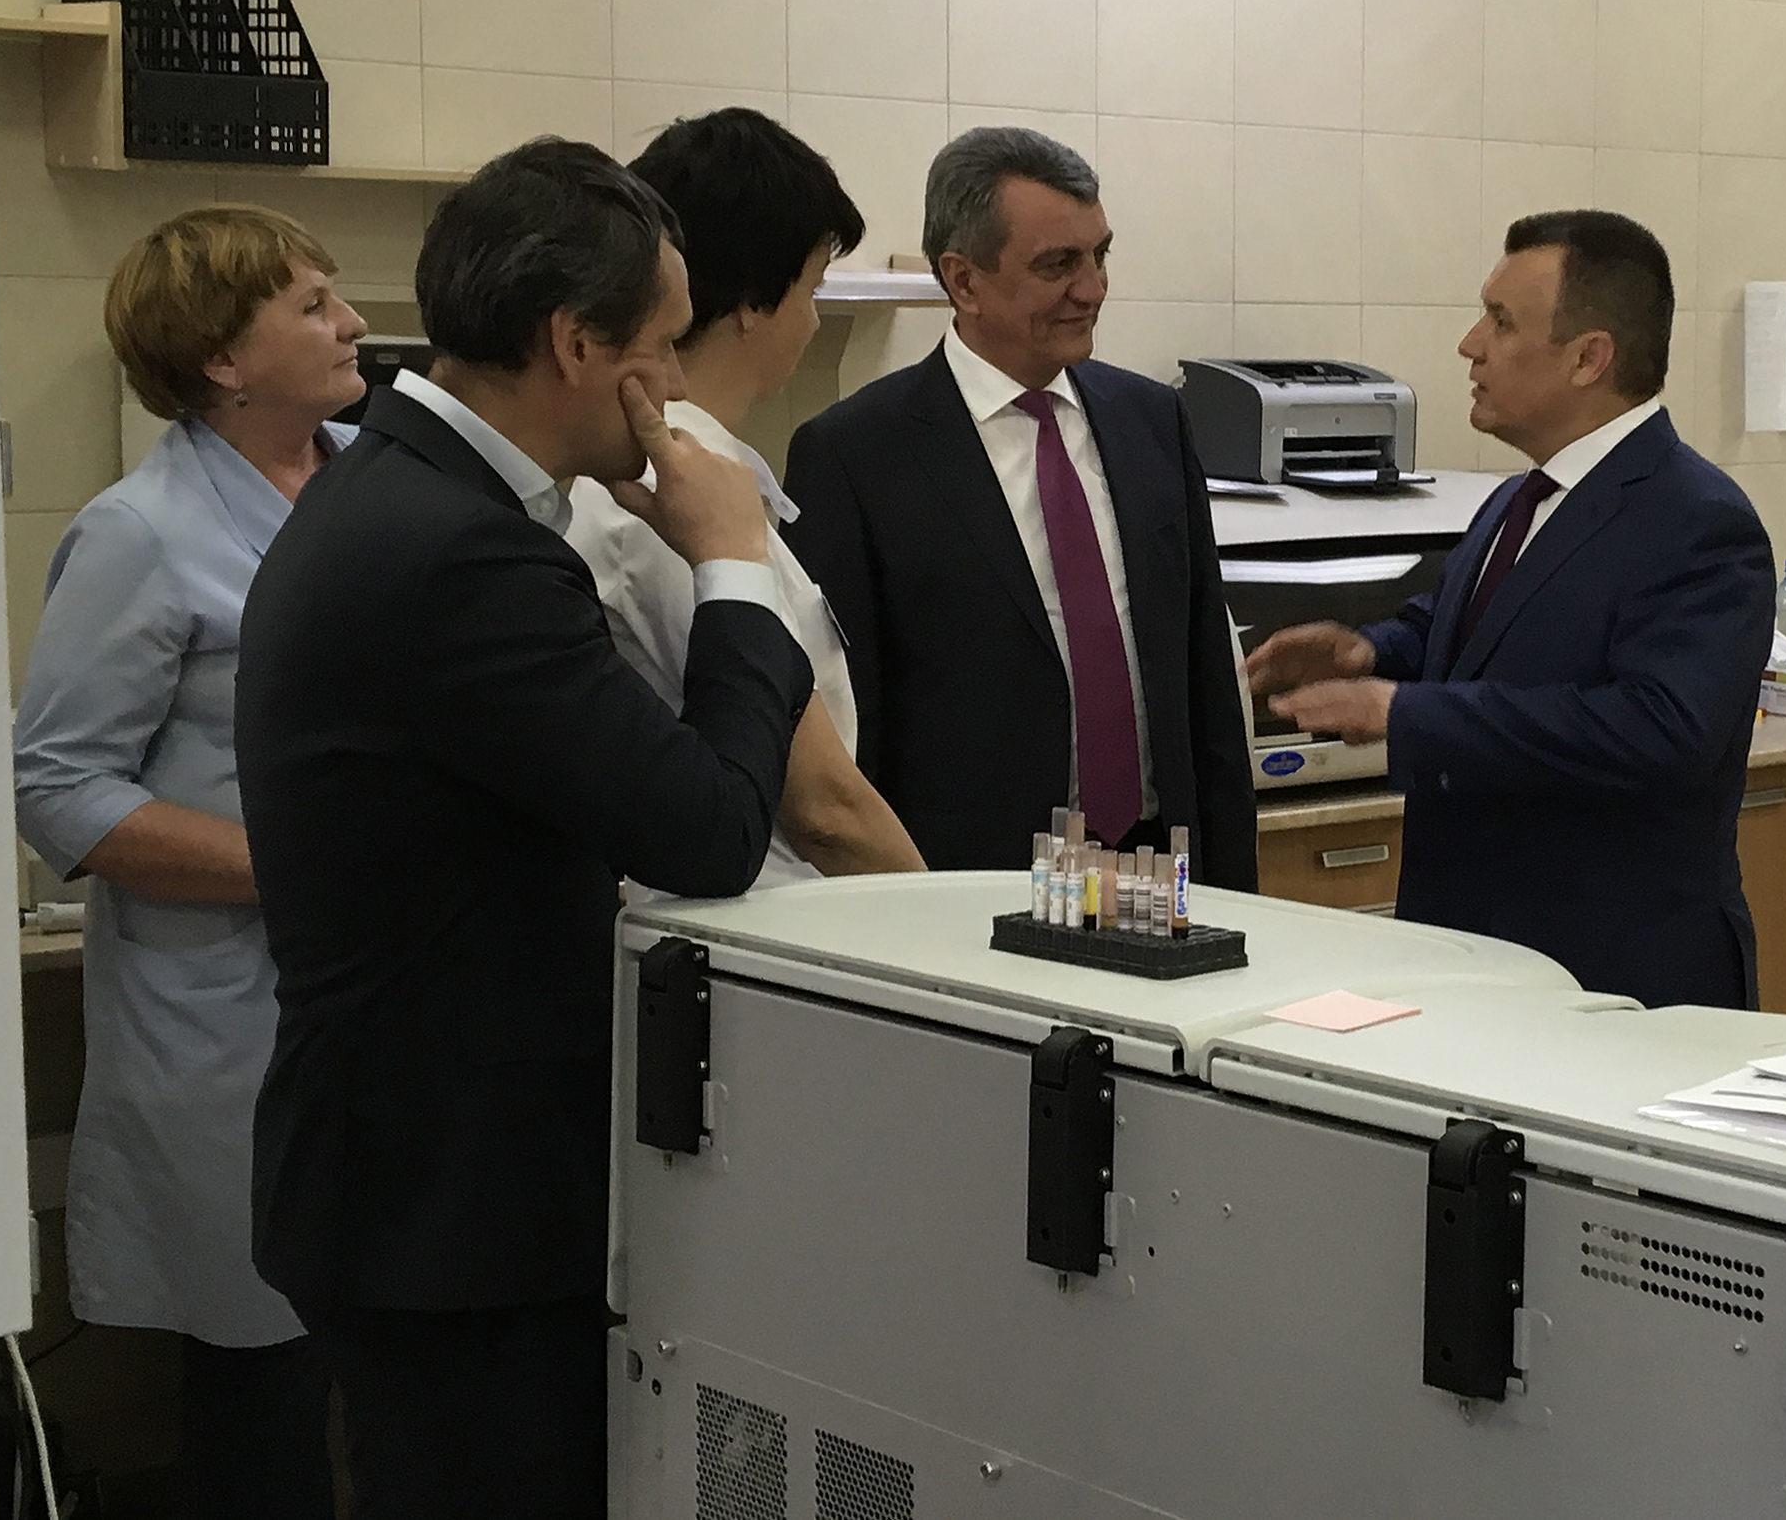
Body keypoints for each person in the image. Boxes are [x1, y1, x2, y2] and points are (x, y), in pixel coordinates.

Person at [238, 138, 812, 1518]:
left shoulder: (405, 490)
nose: (675, 384)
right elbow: (707, 825)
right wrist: (733, 561)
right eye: (662, 344)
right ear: (575, 341)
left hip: (423, 1186)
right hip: (456, 1209)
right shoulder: (460, 549)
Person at [11, 205, 365, 1520]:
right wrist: (305, 868)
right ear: (222, 359)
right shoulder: (141, 532)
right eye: (314, 304)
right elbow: (57, 785)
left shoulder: (377, 486)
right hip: (230, 1014)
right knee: (267, 1370)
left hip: (390, 991)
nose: (352, 322)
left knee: (395, 1354)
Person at [1245, 210, 1776, 1009]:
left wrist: (1401, 711)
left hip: (1612, 980)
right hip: (1468, 959)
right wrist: (1371, 651)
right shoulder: (1518, 498)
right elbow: (1468, 633)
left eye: (1500, 321)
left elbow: (1660, 732)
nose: (1470, 344)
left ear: (1588, 356)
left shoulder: (1695, 520)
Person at [784, 126, 1258, 888]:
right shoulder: (854, 456)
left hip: (1155, 873)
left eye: (1099, 255)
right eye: (1057, 264)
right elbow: (849, 732)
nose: (1092, 289)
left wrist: (1238, 902)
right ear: (963, 280)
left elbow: (1207, 690)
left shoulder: (1152, 423)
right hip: (968, 887)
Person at [564, 108, 921, 882]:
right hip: (740, 911)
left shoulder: (703, 468)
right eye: (811, 287)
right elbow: (822, 807)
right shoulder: (665, 485)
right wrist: (938, 924)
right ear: (755, 301)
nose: (814, 318)